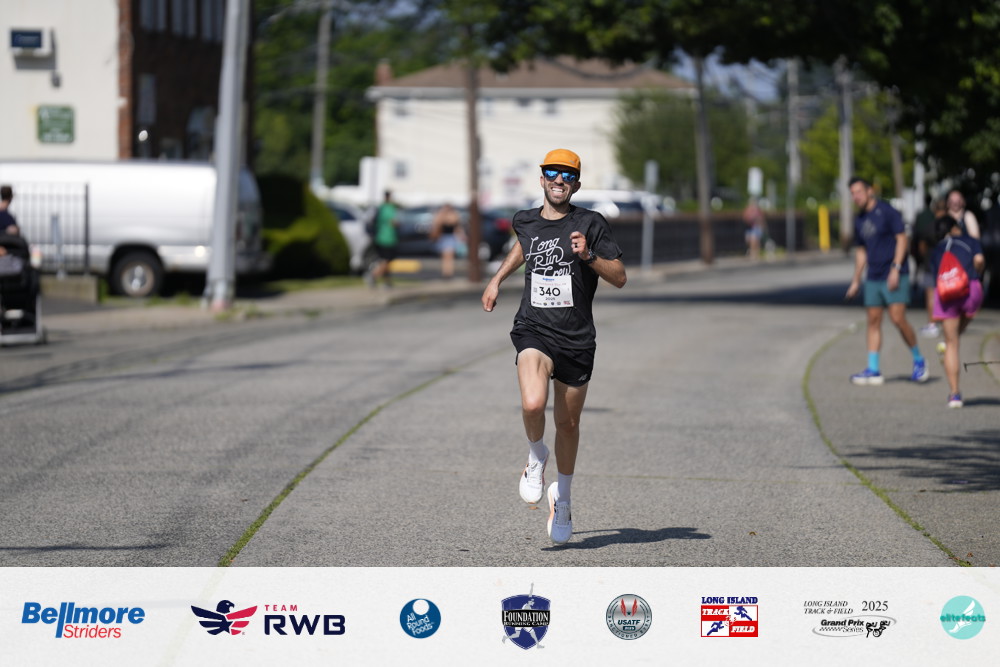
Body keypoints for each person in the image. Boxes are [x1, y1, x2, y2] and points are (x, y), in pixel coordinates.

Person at [481, 148, 627, 545]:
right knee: (532, 404)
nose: (559, 180)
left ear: (576, 184)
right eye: (552, 173)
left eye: (567, 175)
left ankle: (562, 498)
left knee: (568, 424)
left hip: (576, 339)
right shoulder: (525, 220)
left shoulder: (590, 223)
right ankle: (535, 455)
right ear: (542, 178)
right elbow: (524, 245)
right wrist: (497, 280)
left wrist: (589, 256)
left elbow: (619, 277)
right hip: (534, 329)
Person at [845, 176, 928, 385]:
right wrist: (856, 280)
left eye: (858, 192)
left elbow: (902, 239)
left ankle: (919, 360)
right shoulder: (859, 219)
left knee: (897, 318)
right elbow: (861, 251)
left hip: (894, 273)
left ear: (869, 191)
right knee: (873, 321)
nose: (856, 197)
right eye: (852, 193)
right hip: (873, 275)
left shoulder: (887, 211)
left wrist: (896, 268)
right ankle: (873, 369)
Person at [929, 215, 985, 407]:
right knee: (966, 318)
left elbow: (936, 276)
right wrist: (978, 272)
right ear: (955, 228)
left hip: (947, 293)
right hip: (970, 289)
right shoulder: (970, 241)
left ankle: (954, 395)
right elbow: (979, 260)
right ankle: (952, 337)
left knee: (951, 343)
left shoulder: (937, 249)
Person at [912, 198, 948, 338]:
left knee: (931, 296)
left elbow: (921, 247)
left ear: (934, 210)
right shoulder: (951, 227)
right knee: (947, 295)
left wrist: (925, 258)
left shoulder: (929, 227)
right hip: (948, 266)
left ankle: (932, 324)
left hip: (930, 263)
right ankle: (947, 323)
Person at [367, 190, 398, 288]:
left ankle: (387, 282)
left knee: (384, 261)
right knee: (386, 261)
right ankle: (373, 275)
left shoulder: (380, 207)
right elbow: (394, 222)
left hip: (379, 237)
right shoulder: (390, 208)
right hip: (388, 238)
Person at [430, 203, 466, 279]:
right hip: (443, 237)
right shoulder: (440, 216)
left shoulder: (453, 216)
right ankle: (446, 272)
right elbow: (437, 224)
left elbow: (455, 225)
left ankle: (448, 272)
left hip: (450, 237)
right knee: (445, 256)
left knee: (449, 256)